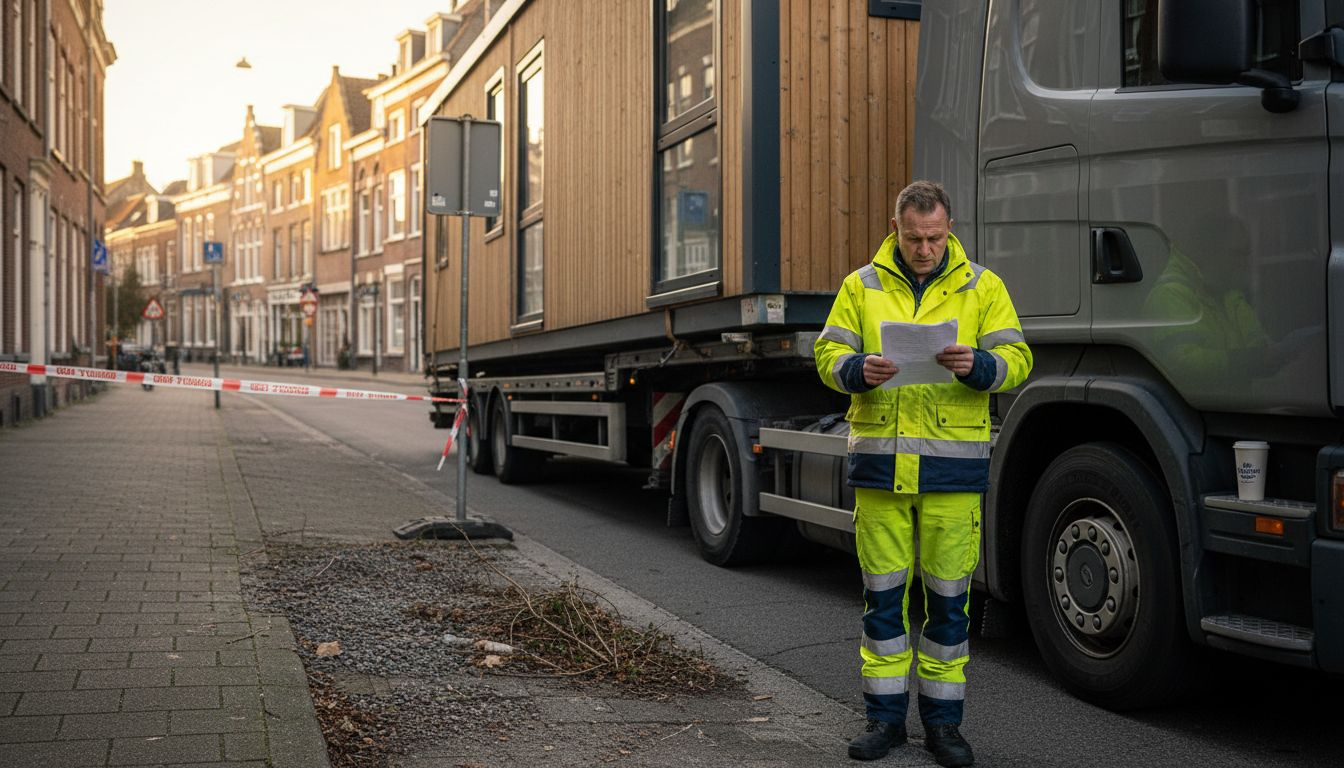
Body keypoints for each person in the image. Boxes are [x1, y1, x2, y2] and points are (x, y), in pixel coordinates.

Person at [814, 181, 1032, 766]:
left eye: (935, 238)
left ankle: (944, 727)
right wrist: (858, 369)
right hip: (883, 471)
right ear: (896, 230)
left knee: (949, 605)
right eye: (913, 238)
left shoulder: (982, 286)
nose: (925, 249)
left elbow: (1018, 359)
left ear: (949, 229)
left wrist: (979, 365)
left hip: (949, 474)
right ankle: (883, 724)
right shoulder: (860, 286)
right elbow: (826, 356)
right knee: (882, 604)